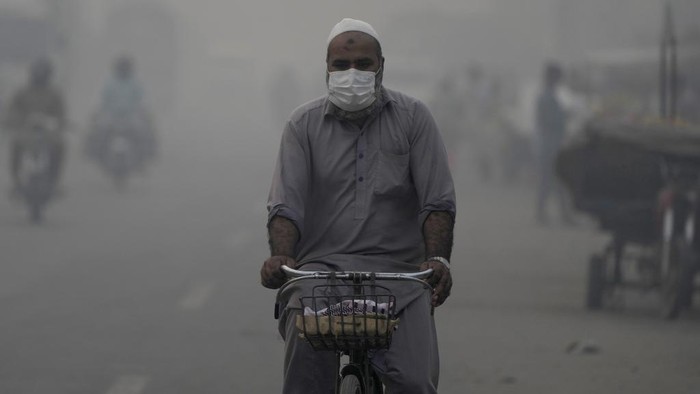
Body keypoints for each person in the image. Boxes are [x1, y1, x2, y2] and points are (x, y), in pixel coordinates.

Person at [260, 18, 456, 394]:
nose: (352, 73)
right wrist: (280, 256)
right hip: (319, 276)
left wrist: (438, 260)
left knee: (415, 383)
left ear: (381, 66)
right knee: (306, 381)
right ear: (327, 69)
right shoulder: (302, 125)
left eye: (363, 65)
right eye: (342, 65)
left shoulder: (415, 118)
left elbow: (437, 201)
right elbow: (286, 204)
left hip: (399, 277)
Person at [4, 57, 67, 195]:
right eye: (38, 73)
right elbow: (13, 110)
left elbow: (61, 114)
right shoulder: (22, 92)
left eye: (43, 74)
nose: (40, 76)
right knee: (16, 147)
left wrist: (59, 123)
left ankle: (53, 181)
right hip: (27, 133)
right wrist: (15, 121)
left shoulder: (54, 94)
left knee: (59, 147)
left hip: (47, 134)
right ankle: (17, 181)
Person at [88, 55, 155, 165]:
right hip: (111, 115)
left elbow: (142, 100)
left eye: (125, 68)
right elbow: (102, 100)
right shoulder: (110, 82)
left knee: (143, 132)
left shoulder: (135, 83)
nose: (123, 70)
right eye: (121, 67)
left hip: (131, 115)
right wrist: (98, 112)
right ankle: (95, 154)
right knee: (99, 131)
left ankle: (144, 157)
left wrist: (144, 113)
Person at [534, 61, 574, 225]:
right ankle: (550, 214)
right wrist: (565, 116)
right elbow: (551, 121)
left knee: (552, 182)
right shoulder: (547, 98)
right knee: (554, 181)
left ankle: (550, 214)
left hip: (549, 145)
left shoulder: (548, 96)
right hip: (551, 145)